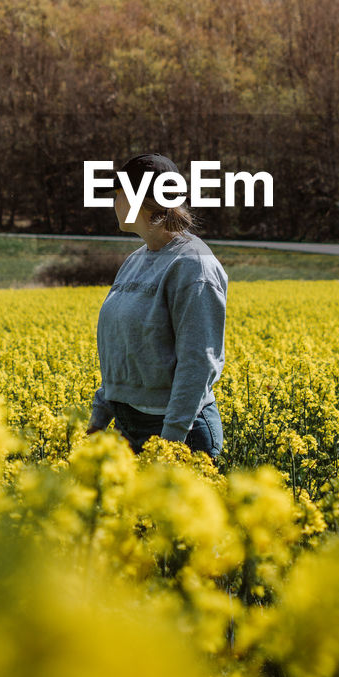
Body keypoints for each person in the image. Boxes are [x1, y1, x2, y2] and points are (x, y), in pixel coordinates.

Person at [86, 152, 227, 459]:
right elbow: (124, 349)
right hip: (129, 427)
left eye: (118, 194)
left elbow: (198, 362)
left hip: (180, 433)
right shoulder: (136, 260)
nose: (114, 203)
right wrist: (99, 419)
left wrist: (170, 442)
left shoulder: (193, 266)